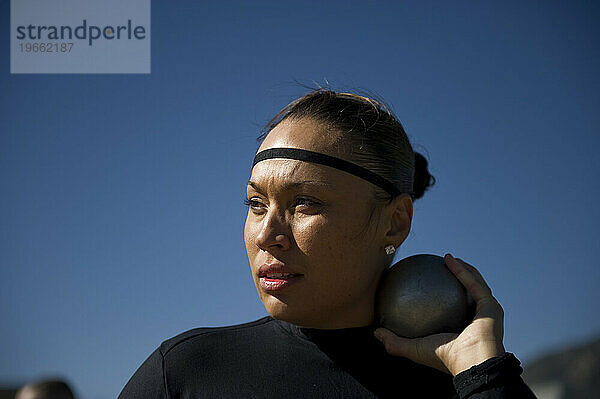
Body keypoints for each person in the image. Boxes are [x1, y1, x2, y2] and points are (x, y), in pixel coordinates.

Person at [119, 89, 536, 398]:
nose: (267, 235)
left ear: (395, 223)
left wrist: (484, 373)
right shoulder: (183, 374)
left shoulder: (466, 383)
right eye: (256, 204)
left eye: (304, 203)